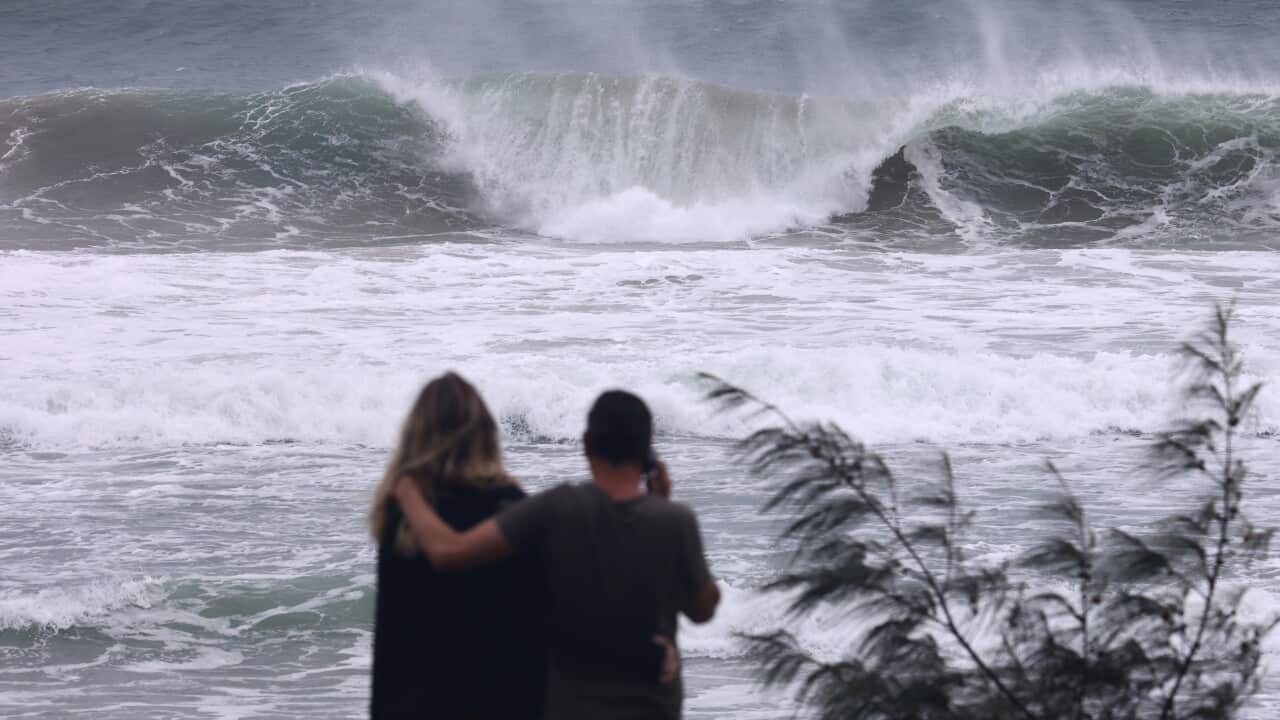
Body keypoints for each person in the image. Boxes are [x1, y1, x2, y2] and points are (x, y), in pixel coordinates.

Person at [394, 389, 721, 720]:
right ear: (648, 447)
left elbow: (448, 552)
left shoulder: (555, 510)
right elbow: (702, 610)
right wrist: (661, 507)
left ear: (586, 444)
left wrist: (407, 490)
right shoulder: (674, 521)